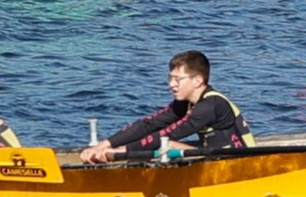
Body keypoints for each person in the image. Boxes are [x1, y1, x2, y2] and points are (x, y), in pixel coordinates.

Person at [79, 50, 256, 163]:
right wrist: (103, 145)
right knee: (162, 142)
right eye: (170, 78)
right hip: (215, 156)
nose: (172, 84)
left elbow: (168, 134)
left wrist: (117, 152)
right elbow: (149, 124)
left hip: (238, 161)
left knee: (168, 145)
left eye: (178, 79)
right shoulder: (185, 103)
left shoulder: (210, 106)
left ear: (197, 81)